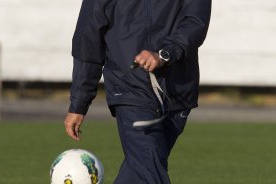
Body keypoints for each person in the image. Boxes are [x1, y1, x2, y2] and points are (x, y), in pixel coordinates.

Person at [64, 0, 211, 183]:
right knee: (149, 172)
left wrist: (164, 54)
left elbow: (195, 22)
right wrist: (79, 103)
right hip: (129, 88)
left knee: (139, 172)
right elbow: (89, 41)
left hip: (177, 92)